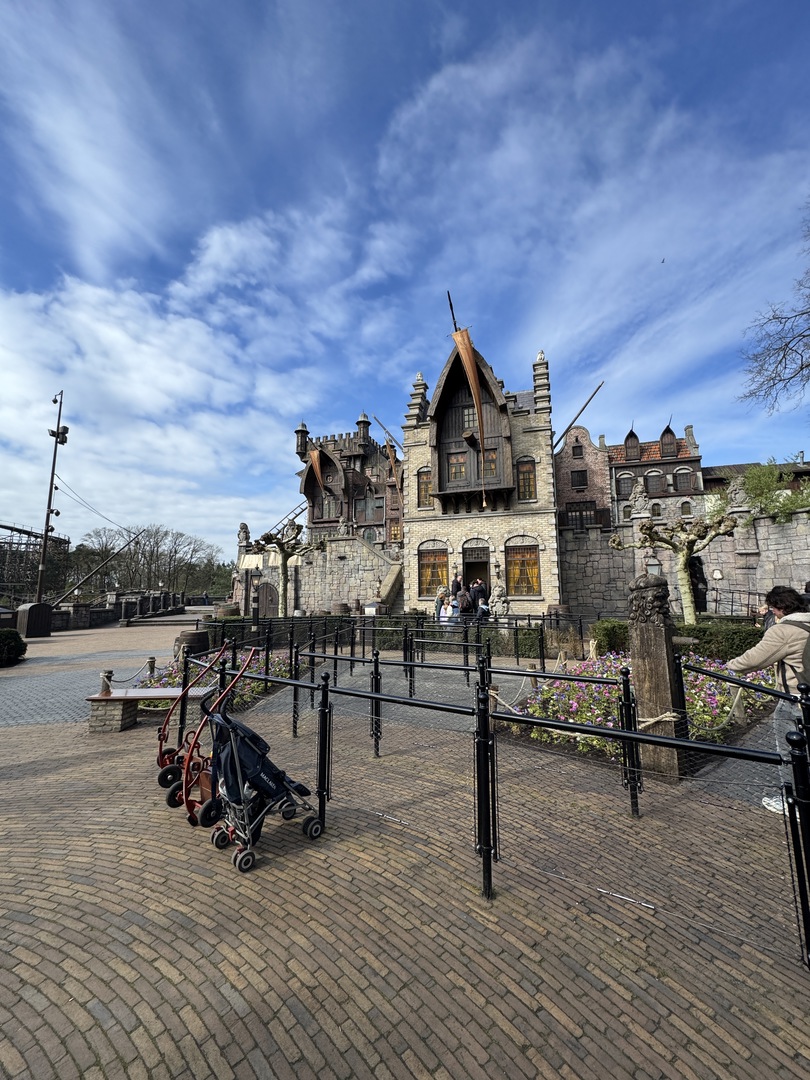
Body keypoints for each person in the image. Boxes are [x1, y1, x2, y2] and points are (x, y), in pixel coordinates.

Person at [727, 586, 810, 813]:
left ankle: (794, 802)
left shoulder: (784, 630)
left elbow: (754, 659)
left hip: (795, 699)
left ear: (780, 608)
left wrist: (731, 665)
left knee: (789, 750)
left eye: (773, 609)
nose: (772, 613)